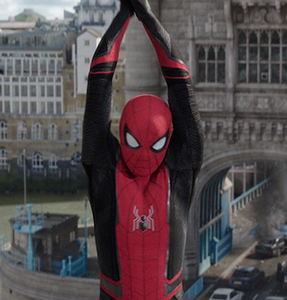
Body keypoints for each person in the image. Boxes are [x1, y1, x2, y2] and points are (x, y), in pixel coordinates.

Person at [81, 0, 203, 299]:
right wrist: (146, 16)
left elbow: (99, 83)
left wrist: (128, 14)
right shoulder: (180, 167)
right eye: (137, 143)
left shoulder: (104, 167)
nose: (145, 154)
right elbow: (181, 86)